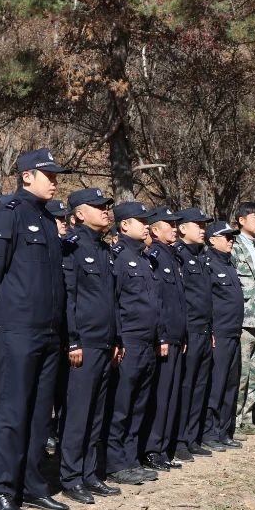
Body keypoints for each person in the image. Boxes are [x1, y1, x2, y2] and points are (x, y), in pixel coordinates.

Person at [0, 148, 72, 510]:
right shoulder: (10, 215)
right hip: (16, 329)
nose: (54, 181)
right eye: (47, 174)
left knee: (37, 414)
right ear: (27, 176)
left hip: (47, 332)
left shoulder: (48, 221)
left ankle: (32, 486)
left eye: (55, 175)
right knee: (11, 411)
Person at [58, 188, 123, 505]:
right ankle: (70, 476)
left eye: (107, 207)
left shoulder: (104, 249)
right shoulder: (72, 247)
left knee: (97, 414)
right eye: (98, 207)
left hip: (105, 344)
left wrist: (117, 339)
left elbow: (112, 301)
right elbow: (68, 299)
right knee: (78, 413)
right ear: (80, 214)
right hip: (82, 344)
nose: (106, 212)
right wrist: (73, 340)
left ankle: (89, 473)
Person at [105, 201, 162, 485]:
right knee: (121, 405)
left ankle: (131, 458)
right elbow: (114, 302)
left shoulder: (144, 258)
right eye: (141, 220)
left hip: (146, 342)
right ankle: (115, 462)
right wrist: (117, 340)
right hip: (128, 342)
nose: (147, 225)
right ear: (125, 225)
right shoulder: (117, 257)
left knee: (139, 403)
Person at [142, 206, 189, 471]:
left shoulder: (173, 257)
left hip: (175, 336)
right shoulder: (157, 255)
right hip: (163, 338)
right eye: (169, 224)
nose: (174, 227)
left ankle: (162, 448)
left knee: (171, 394)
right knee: (160, 396)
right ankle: (151, 449)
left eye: (175, 224)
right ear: (155, 230)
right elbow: (157, 301)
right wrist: (162, 334)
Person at [172, 206, 217, 459]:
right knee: (185, 386)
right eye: (198, 225)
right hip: (188, 332)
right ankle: (178, 440)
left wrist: (209, 328)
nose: (203, 230)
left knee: (200, 385)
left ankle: (191, 436)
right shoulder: (178, 254)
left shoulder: (202, 256)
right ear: (183, 228)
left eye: (204, 225)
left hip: (203, 330)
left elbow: (205, 298)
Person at [203, 221, 244, 451]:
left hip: (233, 333)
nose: (231, 241)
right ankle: (209, 432)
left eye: (232, 237)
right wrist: (210, 331)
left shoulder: (229, 264)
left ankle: (224, 431)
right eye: (226, 237)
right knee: (216, 385)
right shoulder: (208, 264)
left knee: (231, 384)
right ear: (212, 240)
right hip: (218, 333)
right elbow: (206, 302)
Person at [231, 202, 255, 436]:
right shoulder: (234, 247)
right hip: (244, 321)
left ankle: (247, 418)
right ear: (241, 220)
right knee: (241, 374)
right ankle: (233, 422)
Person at [44, 198, 71, 457]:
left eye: (65, 218)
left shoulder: (70, 247)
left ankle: (58, 430)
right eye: (58, 218)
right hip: (53, 328)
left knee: (65, 388)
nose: (63, 223)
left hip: (69, 330)